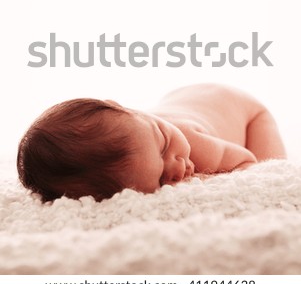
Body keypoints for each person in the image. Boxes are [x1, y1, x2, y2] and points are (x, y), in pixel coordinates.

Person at [17, 83, 286, 202]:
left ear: (123, 107)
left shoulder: (190, 139)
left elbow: (245, 161)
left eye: (164, 142)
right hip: (186, 96)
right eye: (162, 179)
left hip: (245, 111)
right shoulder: (141, 136)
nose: (178, 165)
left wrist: (207, 180)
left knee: (272, 170)